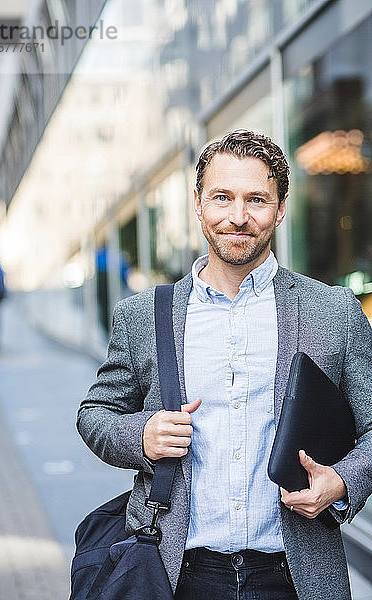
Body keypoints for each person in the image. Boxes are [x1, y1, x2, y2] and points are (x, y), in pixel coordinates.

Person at [77, 130, 372, 600]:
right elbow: (94, 416)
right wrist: (143, 436)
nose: (238, 217)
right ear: (198, 203)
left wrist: (342, 481)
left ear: (280, 208)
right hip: (179, 572)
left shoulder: (332, 311)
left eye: (256, 199)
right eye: (222, 197)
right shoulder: (142, 316)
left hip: (297, 575)